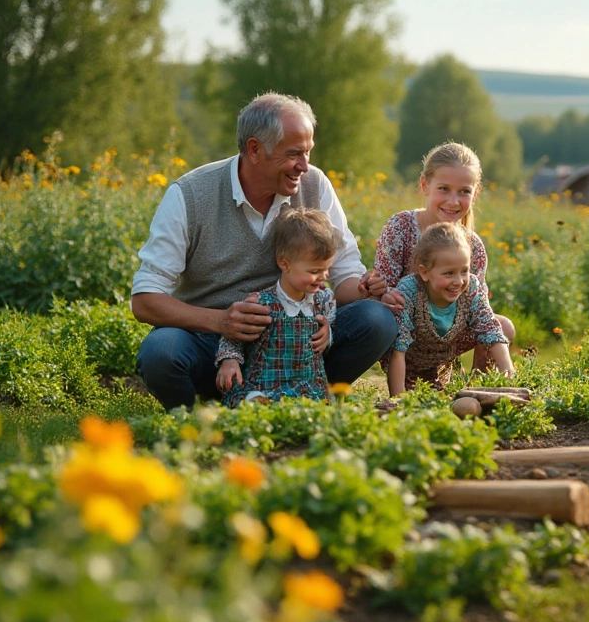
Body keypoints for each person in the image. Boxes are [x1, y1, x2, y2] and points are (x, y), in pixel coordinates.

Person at [131, 92, 396, 409]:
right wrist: (222, 322)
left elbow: (343, 276)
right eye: (293, 153)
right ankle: (194, 420)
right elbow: (145, 300)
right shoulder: (189, 194)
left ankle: (307, 398)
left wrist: (363, 289)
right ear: (254, 149)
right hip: (212, 344)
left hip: (297, 343)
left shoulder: (314, 185)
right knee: (161, 351)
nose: (304, 166)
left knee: (375, 319)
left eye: (308, 152)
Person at [375, 142, 515, 371]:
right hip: (403, 334)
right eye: (444, 189)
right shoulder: (400, 227)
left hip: (446, 336)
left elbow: (478, 311)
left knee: (503, 326)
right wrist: (384, 293)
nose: (453, 201)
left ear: (475, 193)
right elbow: (384, 288)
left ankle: (480, 391)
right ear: (424, 185)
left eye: (464, 192)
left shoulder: (474, 247)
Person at [215, 209, 337, 406]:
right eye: (315, 271)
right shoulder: (261, 302)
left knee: (313, 407)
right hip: (264, 382)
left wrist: (327, 333)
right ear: (284, 264)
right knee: (252, 401)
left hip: (307, 384)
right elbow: (233, 336)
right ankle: (258, 403)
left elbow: (330, 321)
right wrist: (230, 361)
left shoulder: (322, 300)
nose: (323, 277)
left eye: (326, 269)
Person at [387, 222, 513, 396]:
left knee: (440, 397)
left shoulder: (471, 288)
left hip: (440, 362)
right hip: (407, 365)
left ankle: (478, 390)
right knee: (414, 399)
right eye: (449, 273)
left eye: (464, 271)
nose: (459, 281)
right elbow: (398, 349)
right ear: (424, 273)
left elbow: (490, 328)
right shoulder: (409, 291)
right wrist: (397, 400)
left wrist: (508, 374)